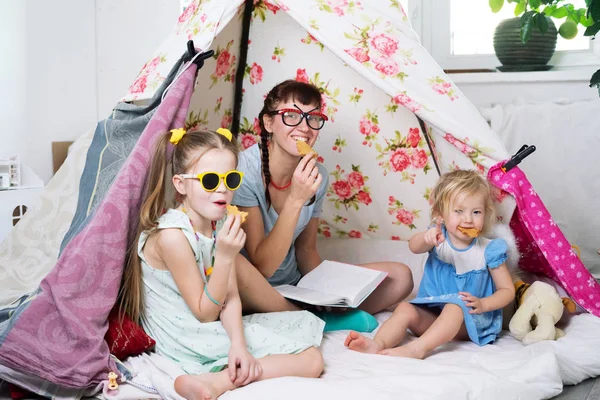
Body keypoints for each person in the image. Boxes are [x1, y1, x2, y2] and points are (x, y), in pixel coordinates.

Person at [119, 128, 325, 400]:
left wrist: (238, 346)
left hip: (210, 321)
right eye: (210, 180)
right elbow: (204, 312)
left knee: (302, 324)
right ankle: (217, 381)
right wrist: (226, 256)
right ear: (180, 184)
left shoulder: (218, 223)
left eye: (231, 179)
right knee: (312, 361)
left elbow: (230, 298)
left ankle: (226, 372)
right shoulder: (172, 237)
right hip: (184, 337)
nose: (222, 189)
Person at [231, 79, 413, 319]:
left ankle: (313, 314)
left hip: (294, 286)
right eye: (291, 116)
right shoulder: (243, 171)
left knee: (400, 277)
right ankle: (304, 318)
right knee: (236, 268)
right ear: (268, 123)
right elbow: (263, 267)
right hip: (253, 289)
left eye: (313, 118)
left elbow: (306, 250)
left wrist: (325, 292)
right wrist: (296, 199)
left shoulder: (318, 176)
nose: (305, 128)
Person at [345, 170, 515, 359]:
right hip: (434, 319)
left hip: (471, 323)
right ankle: (378, 344)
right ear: (440, 214)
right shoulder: (437, 238)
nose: (468, 219)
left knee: (455, 306)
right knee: (405, 308)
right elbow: (414, 247)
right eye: (459, 211)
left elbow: (507, 290)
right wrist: (425, 239)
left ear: (486, 213)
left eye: (476, 212)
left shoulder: (489, 250)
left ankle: (417, 349)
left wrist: (484, 304)